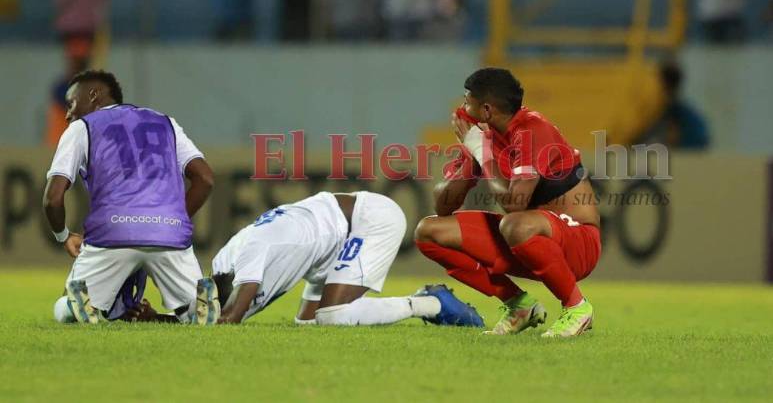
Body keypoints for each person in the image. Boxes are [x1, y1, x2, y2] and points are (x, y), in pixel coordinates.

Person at [414, 68, 601, 338]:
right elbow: (443, 207)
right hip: (528, 238)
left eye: (468, 102)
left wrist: (482, 151)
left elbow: (515, 204)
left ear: (486, 109)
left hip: (578, 243)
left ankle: (577, 307)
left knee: (515, 224)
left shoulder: (532, 130)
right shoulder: (483, 136)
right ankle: (519, 306)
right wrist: (473, 154)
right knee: (429, 232)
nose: (462, 109)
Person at [43, 69, 220, 325]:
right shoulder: (167, 122)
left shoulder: (81, 128)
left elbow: (53, 198)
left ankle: (82, 304)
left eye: (70, 104)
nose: (68, 113)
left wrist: (63, 235)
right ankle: (196, 303)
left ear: (93, 95)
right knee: (193, 317)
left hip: (113, 232)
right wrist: (169, 217)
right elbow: (205, 179)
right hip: (169, 234)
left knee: (65, 308)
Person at [211, 190, 483, 327]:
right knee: (309, 324)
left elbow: (232, 316)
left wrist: (218, 320)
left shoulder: (250, 254)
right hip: (327, 242)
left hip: (370, 219)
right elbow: (225, 300)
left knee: (333, 316)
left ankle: (431, 303)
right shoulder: (226, 260)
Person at [638, 62, 710, 150]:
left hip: (690, 149)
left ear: (663, 83)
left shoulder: (672, 108)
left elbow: (671, 135)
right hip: (701, 146)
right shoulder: (684, 108)